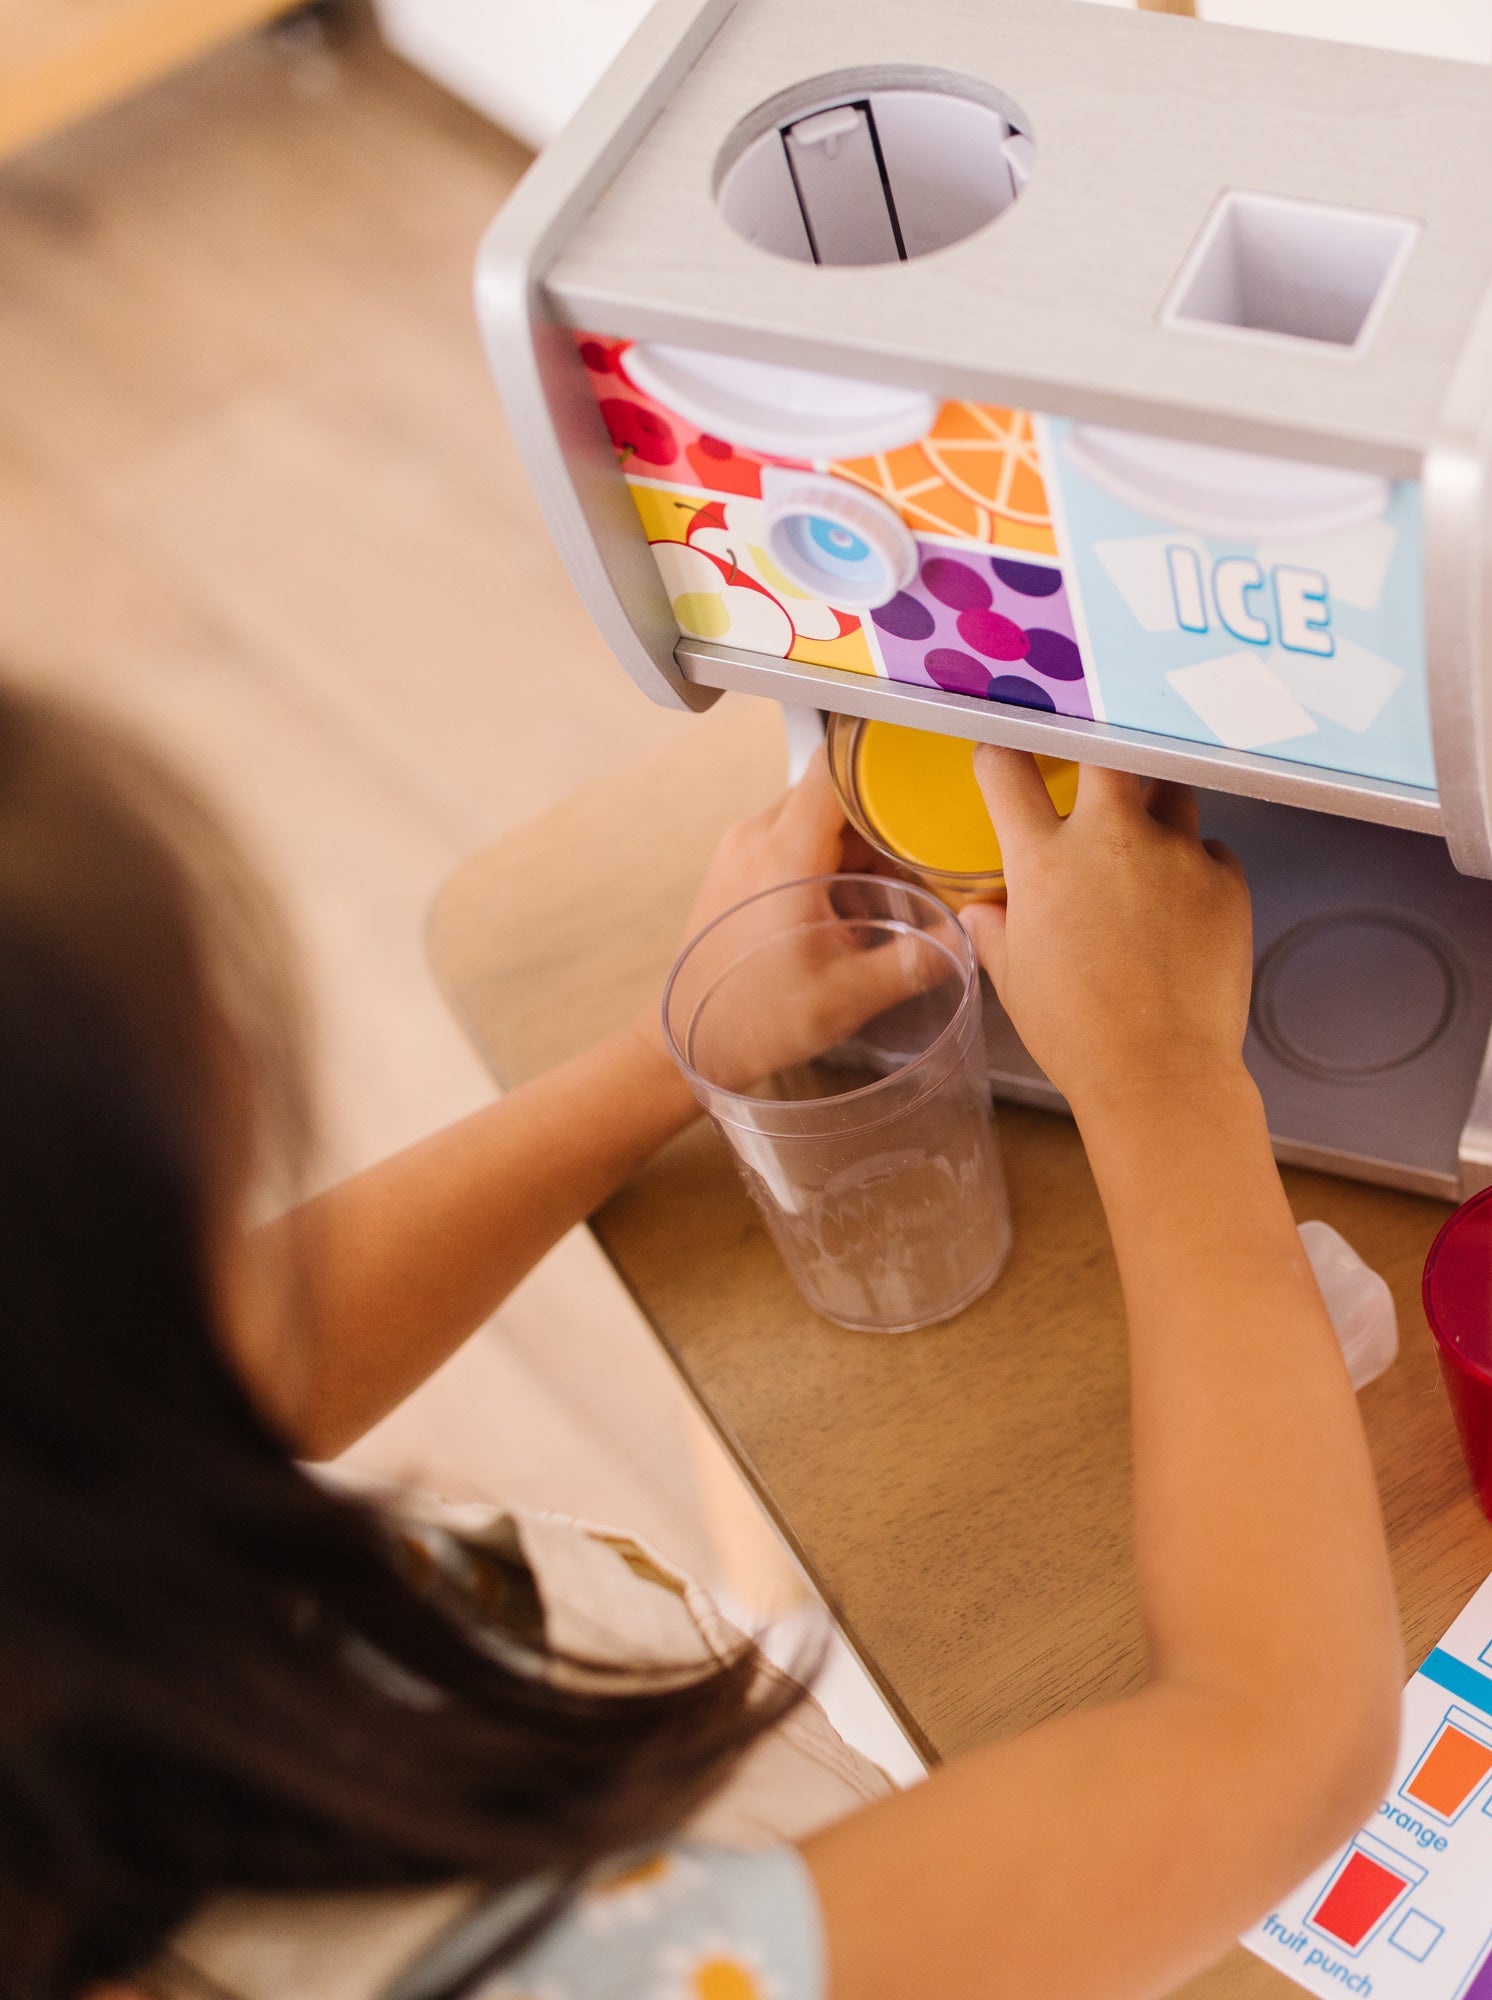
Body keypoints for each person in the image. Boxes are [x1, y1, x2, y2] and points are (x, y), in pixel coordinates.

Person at [0, 679, 1401, 2000]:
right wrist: (1161, 1065)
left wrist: (672, 1050)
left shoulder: (74, 1530)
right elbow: (1279, 1740)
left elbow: (189, 1371)